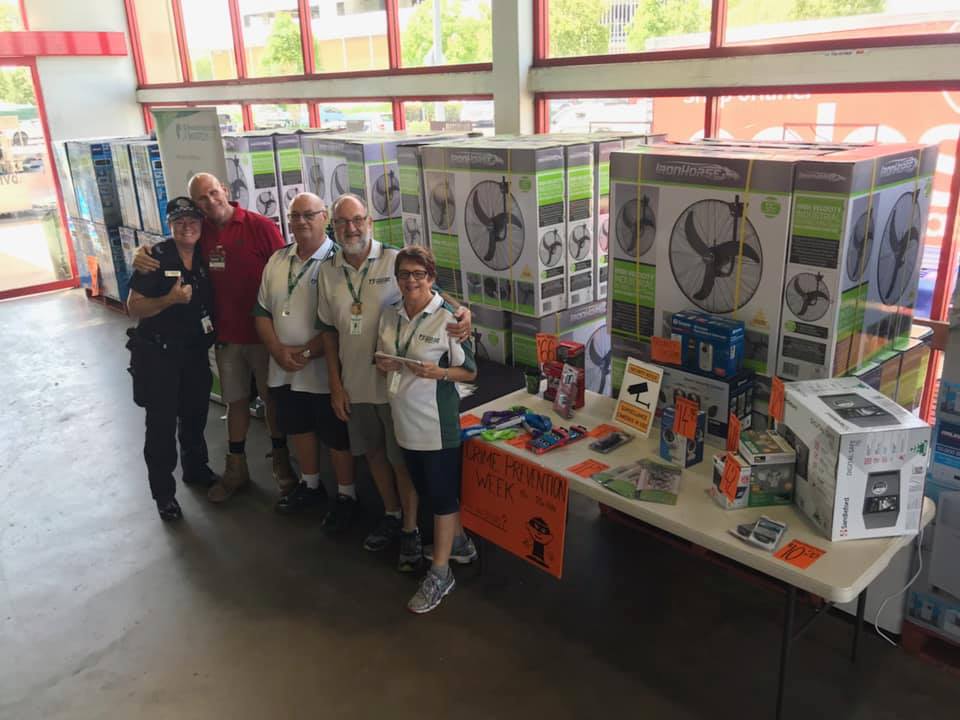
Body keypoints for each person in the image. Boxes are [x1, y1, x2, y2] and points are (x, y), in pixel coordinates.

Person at [316, 193, 471, 571]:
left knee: (403, 459)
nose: (350, 228)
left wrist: (464, 313)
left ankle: (411, 530)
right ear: (332, 228)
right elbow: (328, 333)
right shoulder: (328, 270)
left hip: (397, 388)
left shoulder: (393, 258)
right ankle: (391, 514)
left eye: (357, 220)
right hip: (356, 382)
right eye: (341, 223)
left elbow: (430, 289)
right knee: (374, 455)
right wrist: (336, 385)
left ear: (369, 221)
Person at [133, 173, 292, 504]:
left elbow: (286, 272)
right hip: (221, 340)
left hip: (261, 335)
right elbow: (168, 254)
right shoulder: (192, 239)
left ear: (226, 191)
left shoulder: (259, 226)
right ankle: (231, 470)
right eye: (201, 199)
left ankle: (281, 463)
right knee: (232, 403)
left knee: (267, 402)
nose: (209, 202)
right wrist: (142, 254)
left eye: (213, 193)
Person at [375, 246, 477, 613]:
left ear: (431, 278)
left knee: (442, 496)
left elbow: (470, 372)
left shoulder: (448, 319)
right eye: (404, 274)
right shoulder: (391, 315)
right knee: (424, 488)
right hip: (403, 419)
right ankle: (461, 545)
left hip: (436, 422)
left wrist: (440, 373)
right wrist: (385, 363)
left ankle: (440, 572)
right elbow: (382, 355)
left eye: (419, 274)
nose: (411, 280)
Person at [253, 192, 355, 524]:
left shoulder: (341, 261)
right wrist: (278, 351)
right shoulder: (278, 260)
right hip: (283, 369)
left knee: (335, 435)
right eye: (295, 215)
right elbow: (262, 311)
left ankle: (346, 495)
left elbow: (341, 322)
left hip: (325, 370)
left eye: (309, 214)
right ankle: (311, 486)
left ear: (325, 217)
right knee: (298, 427)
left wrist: (310, 351)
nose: (301, 222)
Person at [125, 197, 217, 521]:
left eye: (192, 220)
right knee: (161, 426)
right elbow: (133, 306)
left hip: (194, 354)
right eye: (179, 221)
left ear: (201, 224)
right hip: (159, 356)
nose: (187, 226)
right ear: (170, 225)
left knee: (194, 417)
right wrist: (169, 299)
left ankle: (196, 469)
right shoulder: (155, 257)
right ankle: (164, 495)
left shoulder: (207, 255)